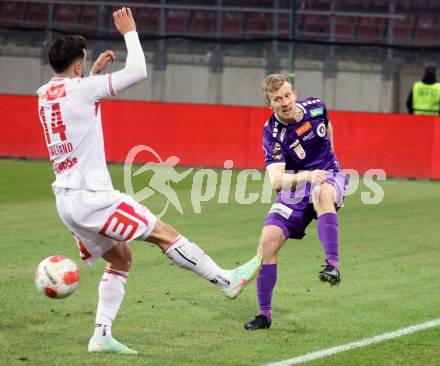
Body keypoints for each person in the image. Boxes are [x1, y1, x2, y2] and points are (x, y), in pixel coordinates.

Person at [37, 8, 261, 354]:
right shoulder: (82, 90)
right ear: (78, 66)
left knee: (121, 259)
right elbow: (138, 70)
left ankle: (101, 335)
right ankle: (225, 280)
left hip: (66, 203)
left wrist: (92, 76)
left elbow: (74, 104)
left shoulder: (44, 95)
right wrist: (130, 32)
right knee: (163, 234)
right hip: (93, 198)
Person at [243, 74, 349, 331]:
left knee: (322, 192)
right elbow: (277, 181)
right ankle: (264, 315)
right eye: (277, 99)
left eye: (287, 95)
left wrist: (331, 160)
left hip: (327, 176)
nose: (285, 102)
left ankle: (332, 264)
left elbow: (328, 125)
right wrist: (307, 176)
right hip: (296, 186)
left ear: (294, 93)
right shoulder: (272, 133)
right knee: (267, 243)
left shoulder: (316, 106)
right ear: (270, 104)